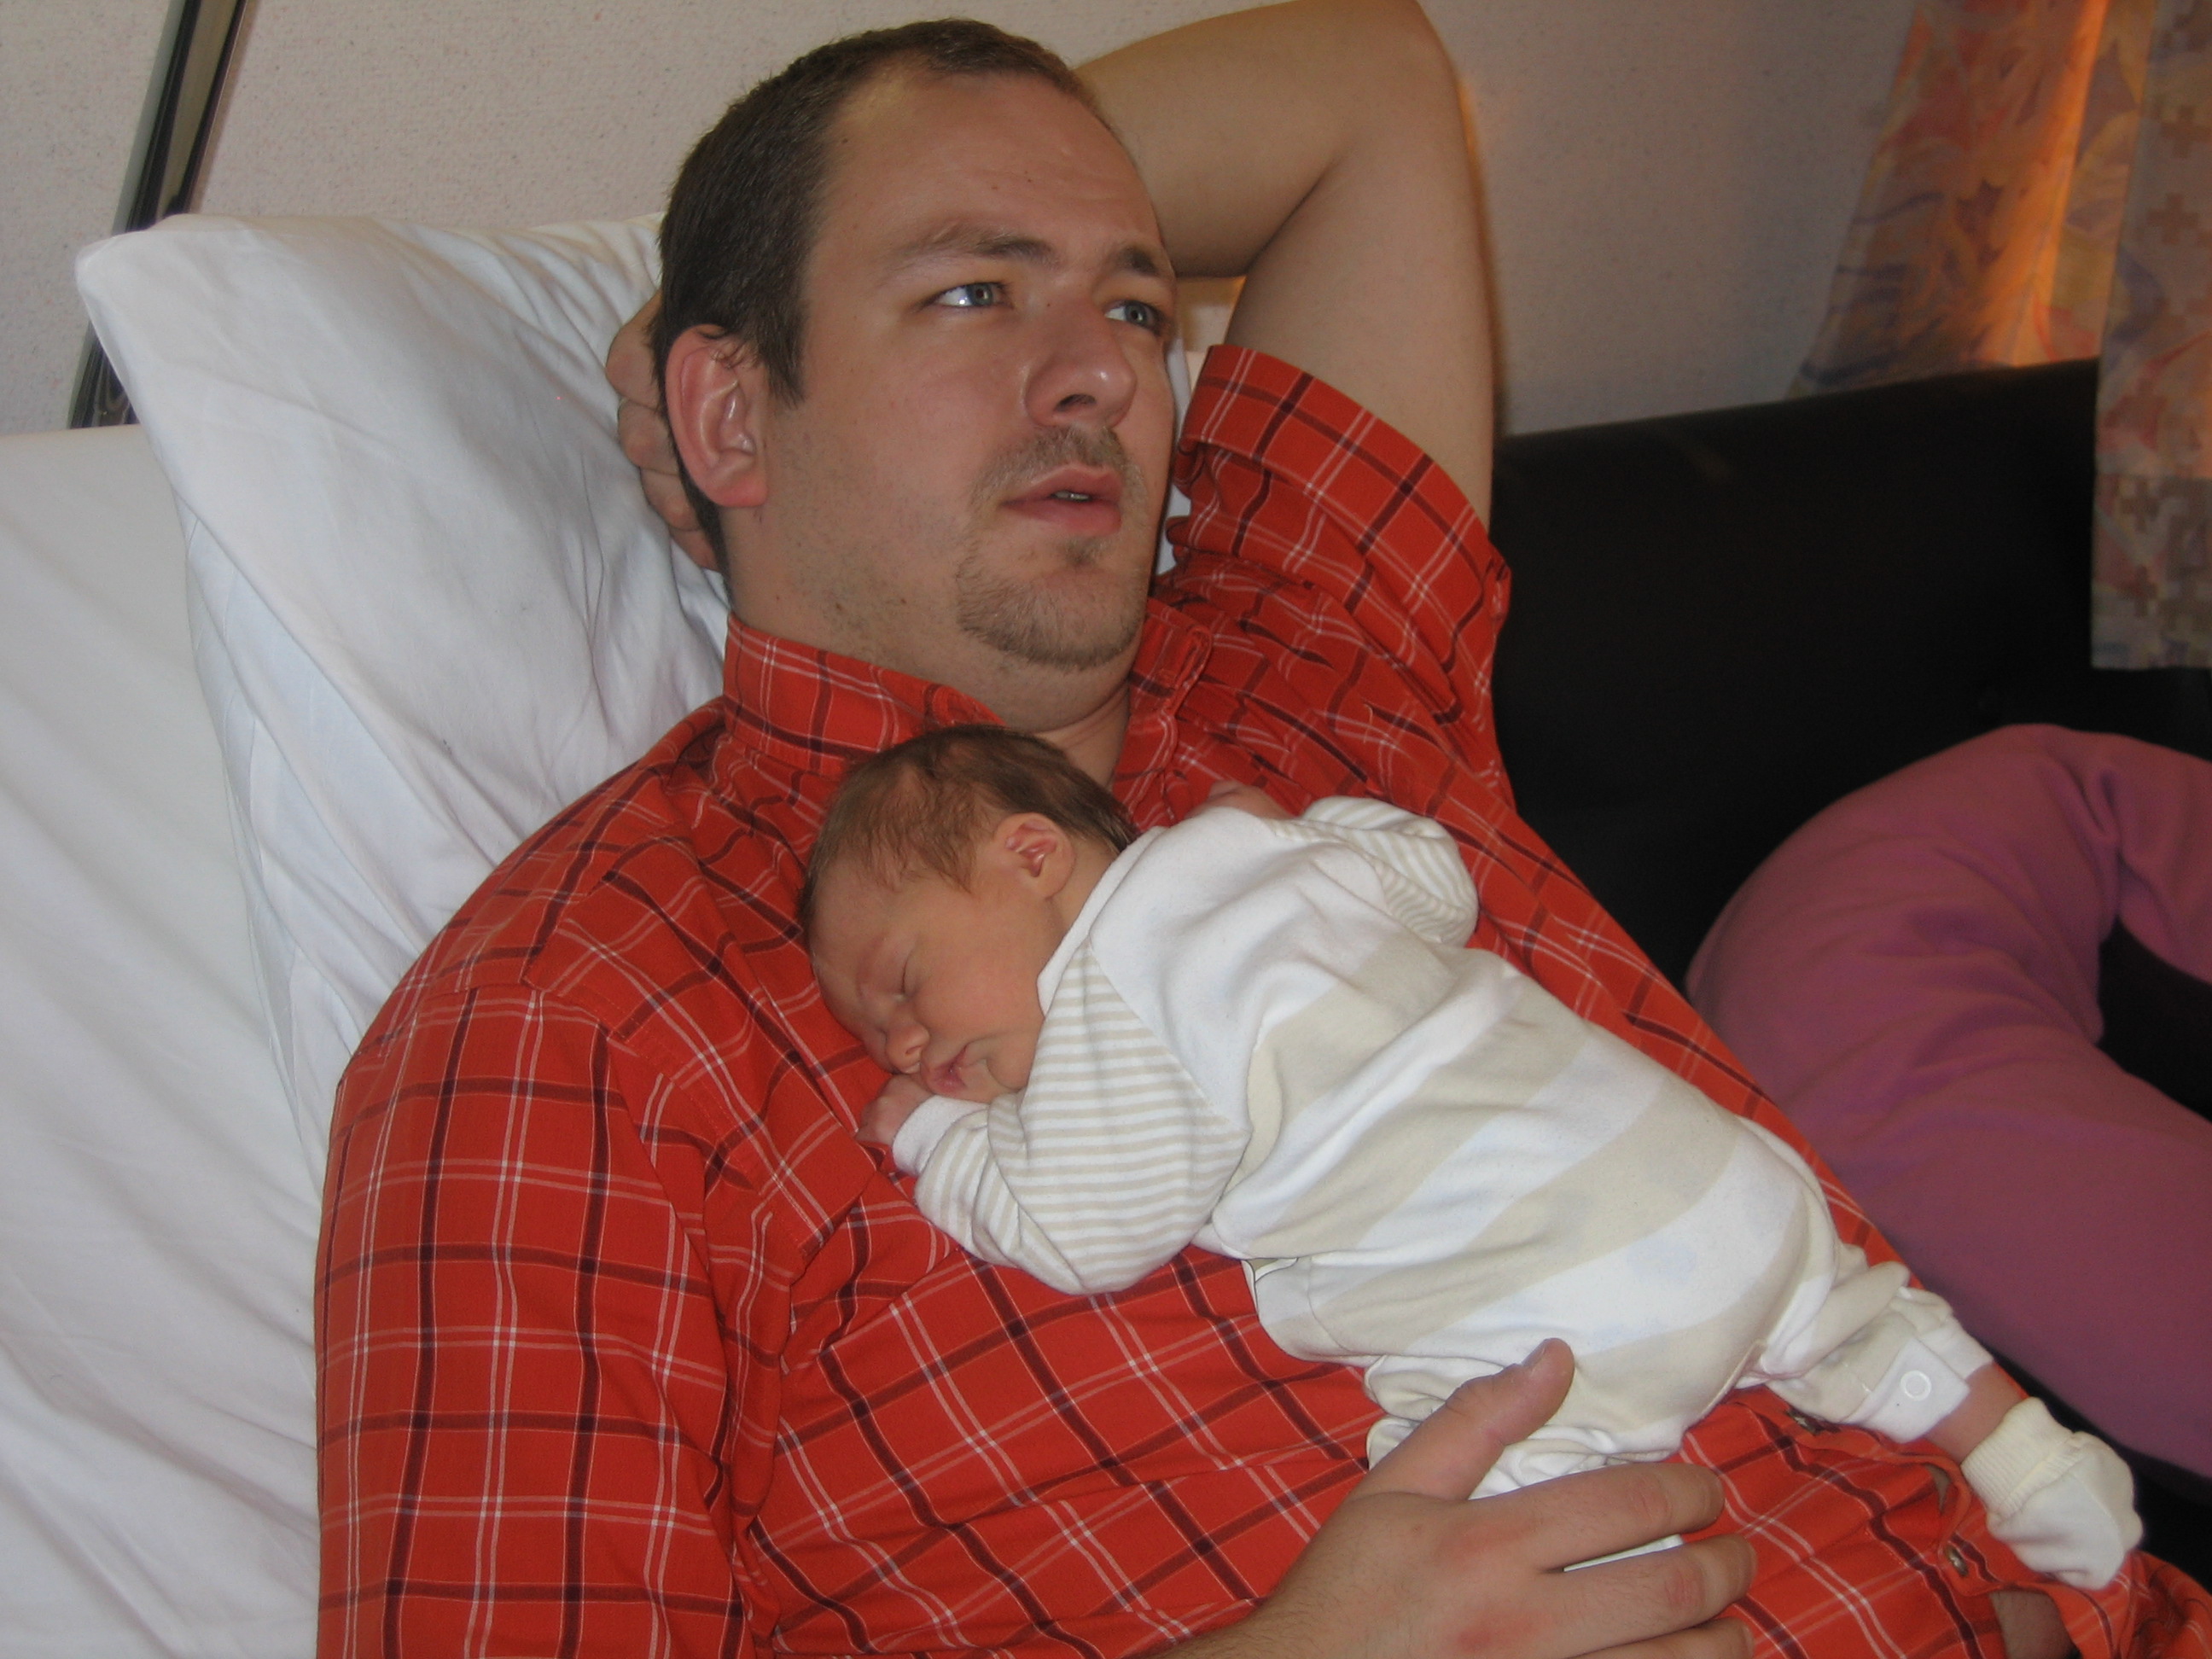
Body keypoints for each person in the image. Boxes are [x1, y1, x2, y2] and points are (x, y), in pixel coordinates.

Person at [318, 4, 2209, 1656]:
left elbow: (1367, 82)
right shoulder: (577, 1031)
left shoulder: (1310, 671)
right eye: (973, 294)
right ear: (731, 416)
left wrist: (740, 283)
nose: (1099, 372)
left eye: (1136, 306)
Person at [802, 723, 2139, 1590]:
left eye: (904, 981)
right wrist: (1297, 832)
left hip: (1556, 1304)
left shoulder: (1116, 1003)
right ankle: (2032, 1459)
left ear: (1033, 857)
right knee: (1846, 1313)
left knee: (1471, 1501)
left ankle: (1636, 1597)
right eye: (878, 1035)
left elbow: (1081, 1228)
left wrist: (940, 1137)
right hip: (1716, 1181)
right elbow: (1438, 885)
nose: (905, 1041)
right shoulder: (1250, 856)